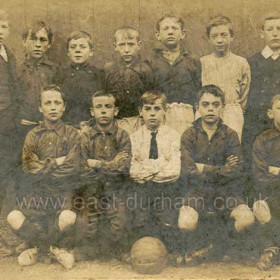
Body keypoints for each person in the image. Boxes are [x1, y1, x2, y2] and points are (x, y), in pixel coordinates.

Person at [6, 85, 80, 269]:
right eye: (48, 103)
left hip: (62, 191)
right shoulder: (33, 135)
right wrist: (56, 162)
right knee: (13, 217)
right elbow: (29, 166)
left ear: (64, 107)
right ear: (40, 108)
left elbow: (72, 166)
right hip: (37, 192)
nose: (53, 107)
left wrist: (44, 165)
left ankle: (39, 249)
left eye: (57, 103)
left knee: (68, 217)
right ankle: (51, 249)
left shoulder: (72, 134)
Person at [179, 85, 254, 263]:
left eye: (215, 104)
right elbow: (188, 170)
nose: (210, 109)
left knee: (247, 218)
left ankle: (215, 246)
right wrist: (222, 168)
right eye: (205, 104)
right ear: (197, 107)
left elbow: (236, 170)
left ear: (222, 107)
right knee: (185, 223)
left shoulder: (230, 135)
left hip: (225, 191)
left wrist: (203, 167)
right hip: (197, 191)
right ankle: (209, 246)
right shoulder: (189, 135)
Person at [76, 91, 131, 261]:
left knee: (120, 221)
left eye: (108, 107)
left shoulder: (122, 136)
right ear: (92, 112)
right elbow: (82, 168)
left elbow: (123, 167)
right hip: (91, 190)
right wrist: (110, 164)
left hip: (115, 190)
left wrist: (97, 164)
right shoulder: (85, 136)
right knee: (85, 226)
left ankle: (112, 250)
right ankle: (92, 250)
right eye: (98, 107)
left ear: (116, 111)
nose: (103, 111)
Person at [129, 91, 181, 255]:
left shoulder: (173, 136)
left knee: (166, 218)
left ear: (165, 110)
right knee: (141, 219)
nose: (152, 113)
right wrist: (159, 166)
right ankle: (143, 252)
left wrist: (147, 169)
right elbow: (132, 169)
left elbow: (174, 170)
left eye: (157, 108)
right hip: (142, 189)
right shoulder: (135, 138)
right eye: (148, 108)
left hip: (166, 189)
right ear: (140, 111)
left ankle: (167, 253)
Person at [200, 15, 251, 141]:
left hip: (232, 112)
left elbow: (244, 93)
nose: (219, 40)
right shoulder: (203, 62)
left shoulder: (241, 62)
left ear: (231, 37)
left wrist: (234, 110)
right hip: (208, 111)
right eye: (214, 36)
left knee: (231, 149)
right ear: (209, 39)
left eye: (224, 35)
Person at [148, 15, 200, 134]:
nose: (170, 32)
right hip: (161, 115)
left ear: (183, 34)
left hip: (186, 115)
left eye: (174, 28)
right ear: (158, 35)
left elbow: (198, 89)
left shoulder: (192, 60)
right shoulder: (152, 61)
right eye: (165, 29)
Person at [243, 14, 280, 170]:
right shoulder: (251, 62)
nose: (275, 33)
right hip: (256, 122)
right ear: (262, 33)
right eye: (270, 29)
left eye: (279, 29)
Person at [104, 27, 153, 134]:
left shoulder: (145, 69)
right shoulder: (109, 69)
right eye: (122, 45)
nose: (126, 49)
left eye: (131, 44)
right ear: (115, 46)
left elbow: (149, 97)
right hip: (115, 121)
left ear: (139, 45)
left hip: (139, 120)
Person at [251, 94, 280, 270]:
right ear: (270, 113)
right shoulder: (263, 140)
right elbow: (260, 176)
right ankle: (271, 247)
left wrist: (275, 169)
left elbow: (267, 172)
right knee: (260, 206)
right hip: (273, 194)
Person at [0, 9, 20, 257]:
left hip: (6, 123)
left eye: (3, 26)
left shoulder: (9, 56)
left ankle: (4, 231)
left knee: (5, 176)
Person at [55, 31, 104, 128]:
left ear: (91, 52)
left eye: (82, 47)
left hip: (92, 126)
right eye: (73, 47)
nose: (77, 50)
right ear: (68, 52)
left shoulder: (98, 74)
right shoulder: (60, 74)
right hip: (66, 126)